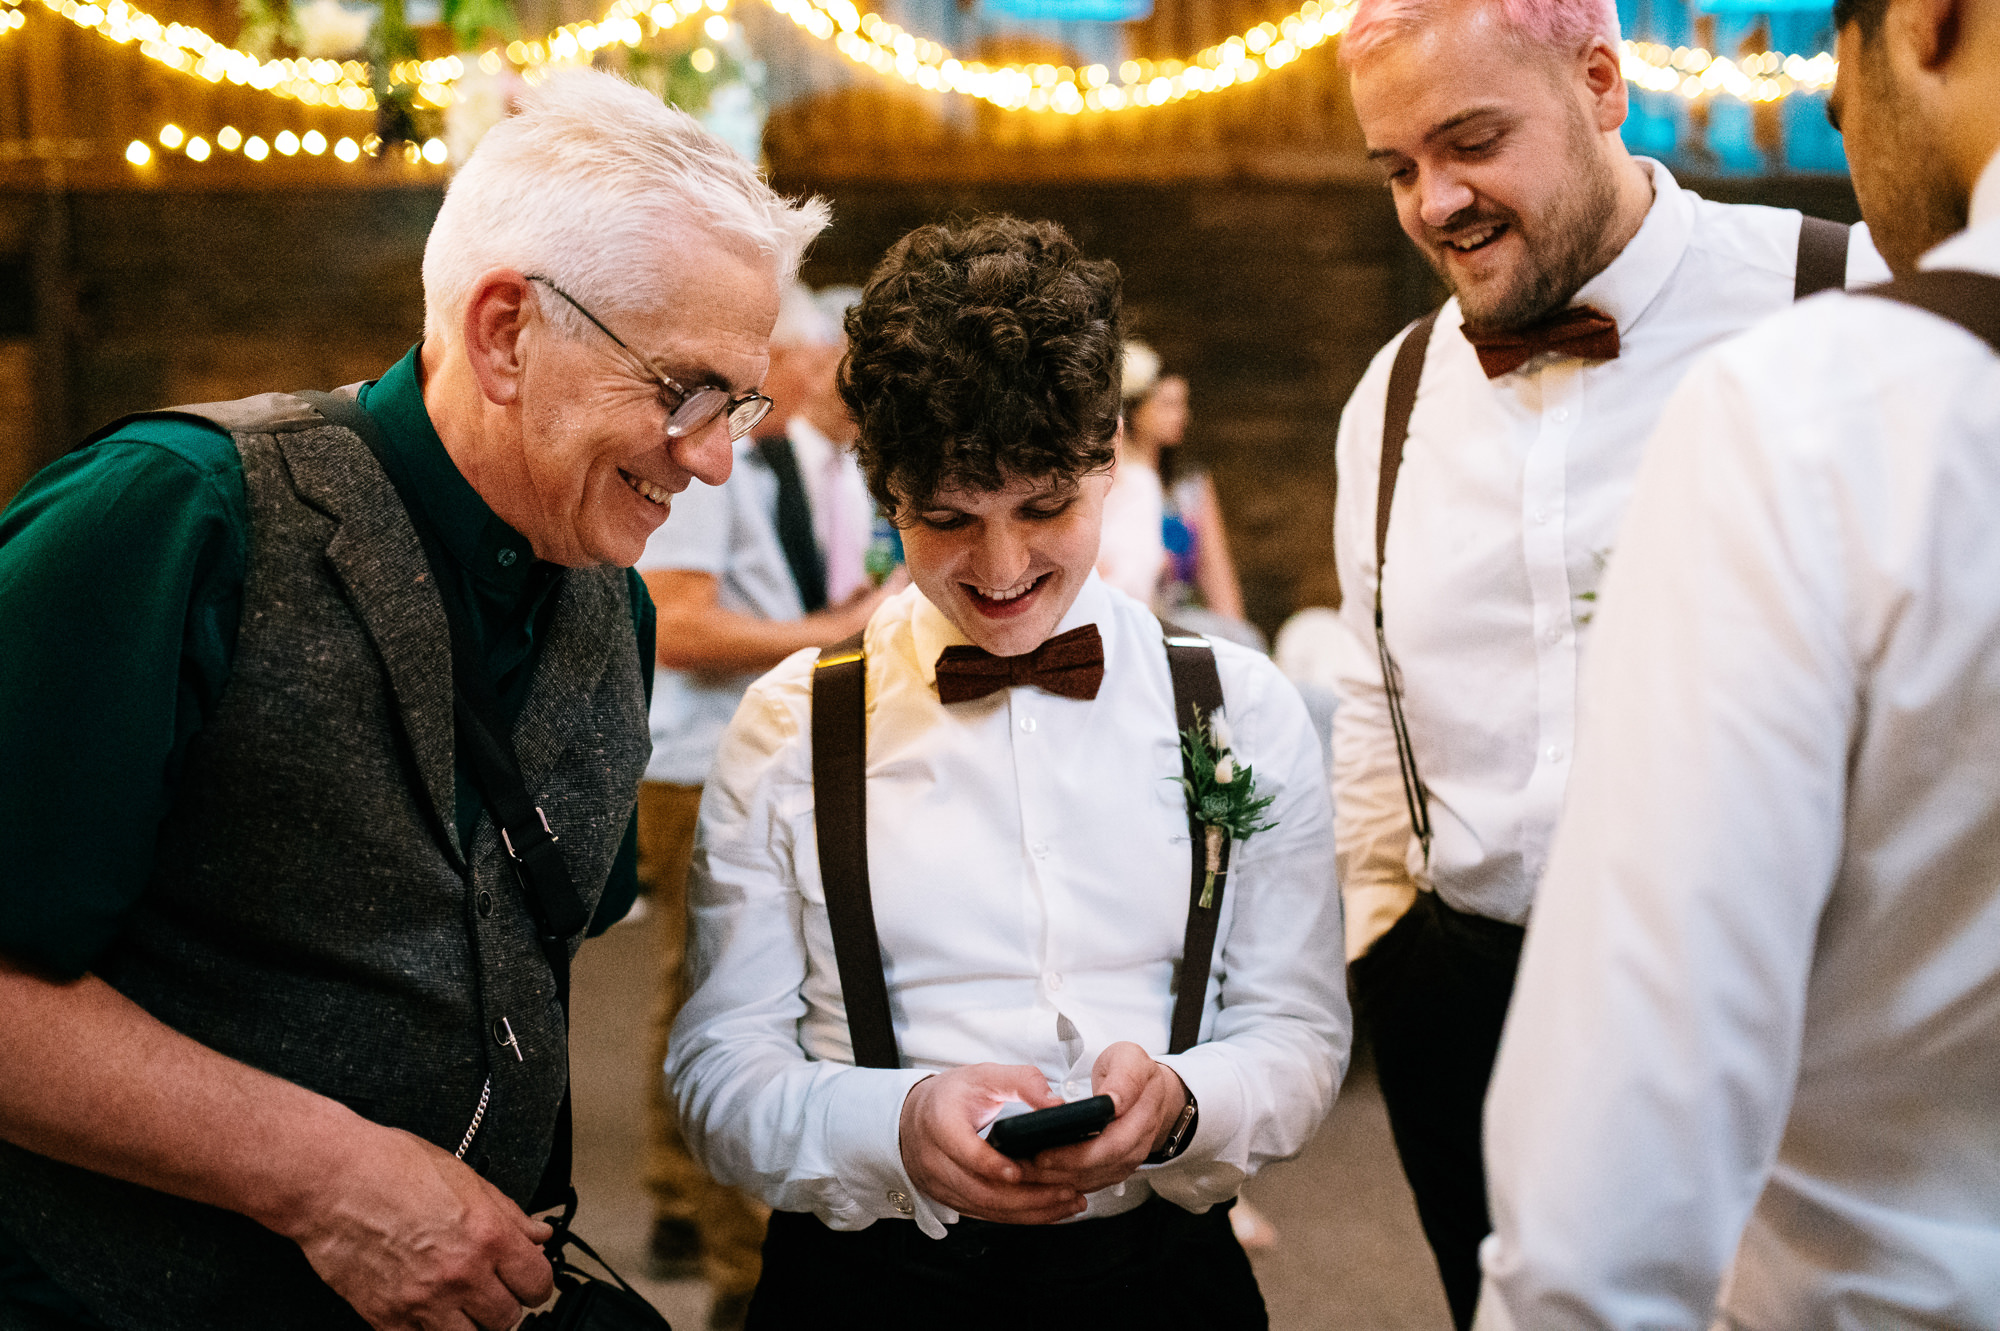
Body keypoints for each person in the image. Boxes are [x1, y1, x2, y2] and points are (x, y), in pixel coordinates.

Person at [0, 70, 826, 1330]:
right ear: (503, 332)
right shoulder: (173, 512)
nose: (716, 455)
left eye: (741, 402)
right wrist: (326, 1177)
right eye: (685, 390)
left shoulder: (616, 606)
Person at [666, 215, 1348, 1327]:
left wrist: (1183, 1101)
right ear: (886, 491)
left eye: (1044, 508)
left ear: (1109, 456)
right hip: (871, 1287)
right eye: (947, 519)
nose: (1000, 568)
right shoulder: (787, 724)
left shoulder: (1238, 707)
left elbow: (1301, 1031)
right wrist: (894, 1124)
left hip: (1162, 1280)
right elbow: (715, 1076)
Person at [1325, 0, 1887, 1322]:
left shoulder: (1848, 299)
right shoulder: (1391, 393)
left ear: (1598, 83)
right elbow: (1372, 692)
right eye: (1398, 166)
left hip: (1786, 1017)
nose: (1435, 201)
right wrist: (1386, 939)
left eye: (1470, 141)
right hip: (1466, 1007)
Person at [1475, 0, 2000, 1323]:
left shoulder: (1821, 417)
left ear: (1929, 24)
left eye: (1843, 70)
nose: (1834, 115)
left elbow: (1607, 1192)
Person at [634, 280, 897, 1328]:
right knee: (712, 989)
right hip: (697, 756)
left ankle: (691, 1206)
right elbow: (673, 624)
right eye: (828, 354)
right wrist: (838, 630)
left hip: (778, 741)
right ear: (781, 359)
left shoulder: (807, 462)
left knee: (748, 984)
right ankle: (725, 1251)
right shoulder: (708, 457)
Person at [1097, 342, 1262, 650]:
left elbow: (1215, 570)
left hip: (1176, 613)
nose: (1180, 415)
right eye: (1167, 404)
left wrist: (1238, 640)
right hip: (1133, 616)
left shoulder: (1189, 486)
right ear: (1135, 410)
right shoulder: (1111, 479)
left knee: (1243, 641)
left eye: (1183, 405)